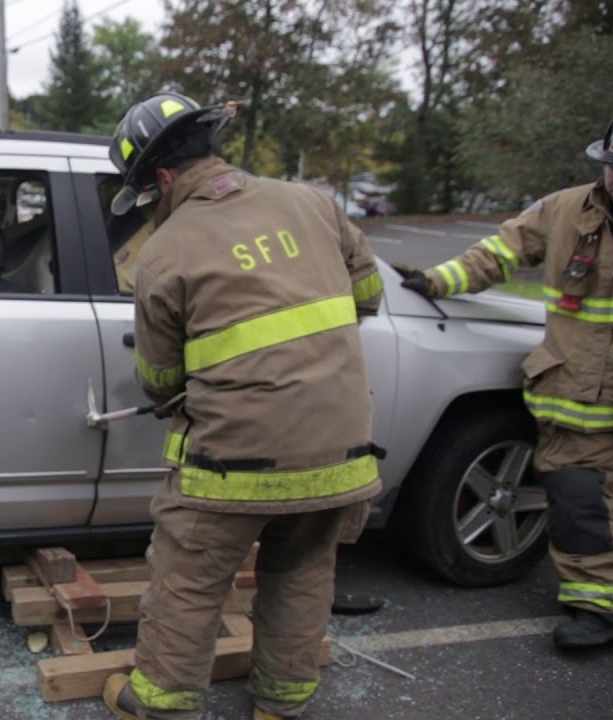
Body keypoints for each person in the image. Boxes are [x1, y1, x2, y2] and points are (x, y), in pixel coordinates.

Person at [101, 91, 385, 720]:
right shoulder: (312, 203)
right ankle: (281, 703)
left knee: (188, 579)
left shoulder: (165, 252)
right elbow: (367, 294)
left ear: (164, 178)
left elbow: (158, 377)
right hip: (340, 454)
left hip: (232, 464)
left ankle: (162, 702)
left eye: (150, 194)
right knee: (303, 573)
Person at [396, 111, 613, 651]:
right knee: (580, 503)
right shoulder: (565, 210)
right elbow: (499, 253)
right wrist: (435, 282)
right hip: (578, 399)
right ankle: (598, 607)